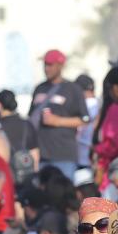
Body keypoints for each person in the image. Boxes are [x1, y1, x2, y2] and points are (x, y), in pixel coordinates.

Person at [29, 50, 86, 179]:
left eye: (50, 65)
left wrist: (58, 121)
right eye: (45, 65)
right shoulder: (39, 88)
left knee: (63, 195)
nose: (46, 68)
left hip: (64, 156)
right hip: (42, 155)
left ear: (60, 66)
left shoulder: (73, 89)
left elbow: (84, 119)